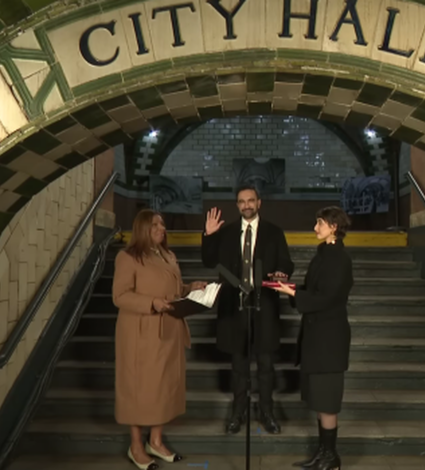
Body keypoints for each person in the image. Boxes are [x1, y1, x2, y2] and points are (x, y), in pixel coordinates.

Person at [112, 209, 209, 470]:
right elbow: (119, 296)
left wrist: (190, 288)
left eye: (163, 224)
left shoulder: (168, 255)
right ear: (142, 227)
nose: (161, 228)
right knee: (138, 388)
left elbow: (173, 291)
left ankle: (155, 441)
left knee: (164, 387)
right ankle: (136, 446)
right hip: (140, 332)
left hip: (169, 330)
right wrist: (151, 303)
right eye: (155, 224)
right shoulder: (128, 257)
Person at [201, 184, 294, 434]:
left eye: (251, 200)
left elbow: (286, 262)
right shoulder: (228, 232)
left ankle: (267, 413)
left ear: (259, 203)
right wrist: (209, 235)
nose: (247, 205)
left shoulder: (274, 232)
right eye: (242, 202)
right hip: (235, 309)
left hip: (265, 307)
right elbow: (209, 262)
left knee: (266, 365)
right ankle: (237, 414)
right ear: (237, 205)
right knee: (239, 366)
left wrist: (282, 273)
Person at [271, 206, 354, 470]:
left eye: (319, 223)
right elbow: (314, 289)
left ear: (333, 226)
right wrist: (288, 287)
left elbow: (329, 298)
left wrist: (295, 295)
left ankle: (331, 457)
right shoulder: (324, 255)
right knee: (320, 400)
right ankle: (324, 454)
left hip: (329, 341)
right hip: (318, 338)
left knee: (327, 402)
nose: (315, 228)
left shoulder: (340, 259)